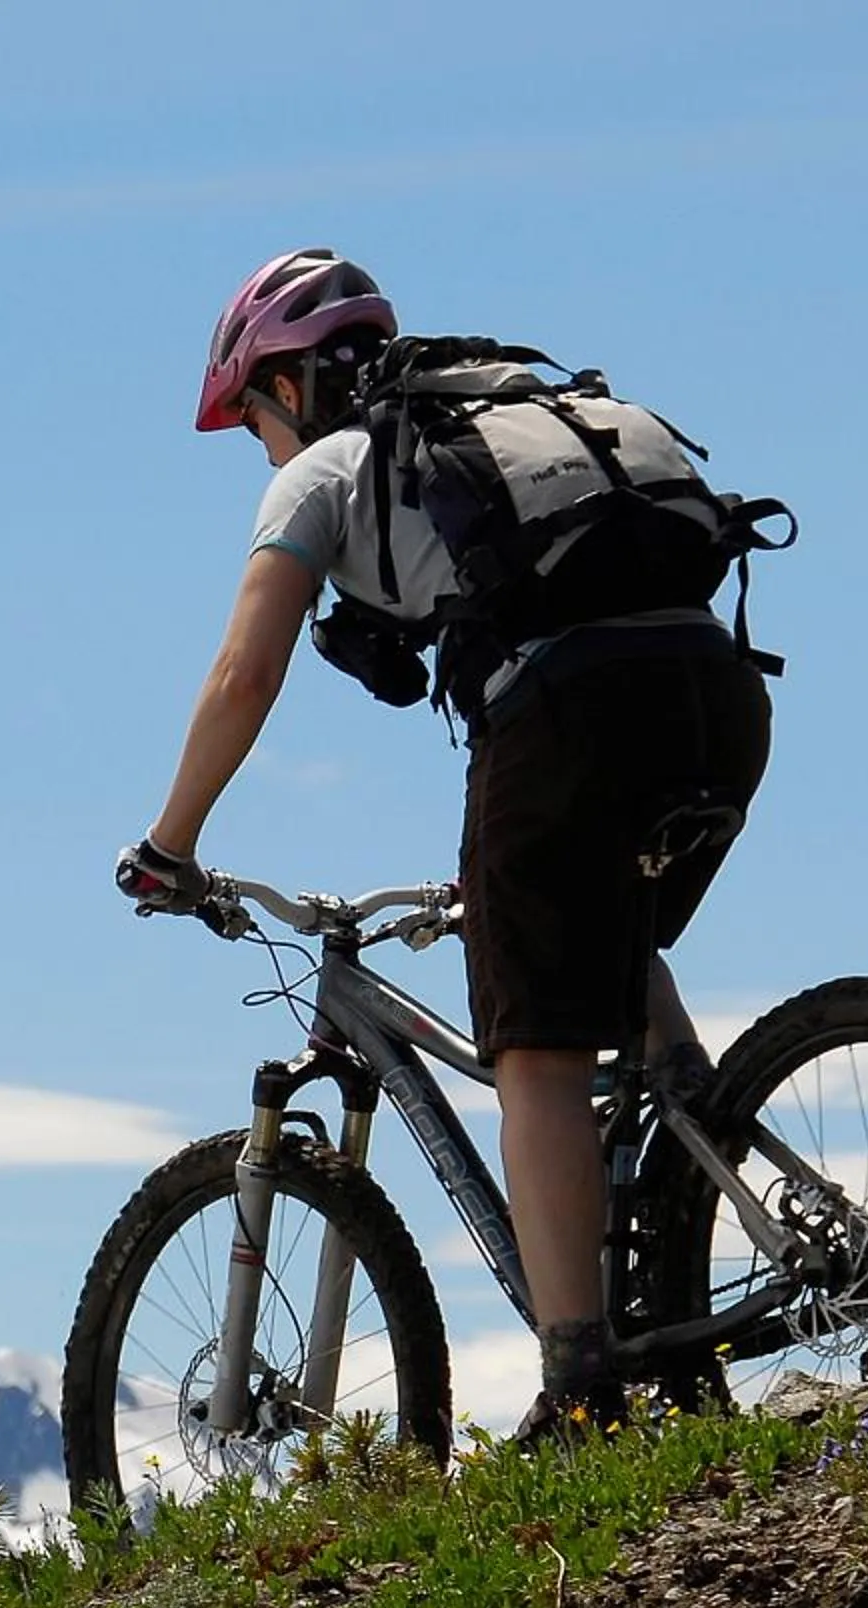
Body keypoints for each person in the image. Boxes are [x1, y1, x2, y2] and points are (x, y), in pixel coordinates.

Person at [117, 247, 773, 1441]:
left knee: (537, 1049)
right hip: (719, 694)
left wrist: (172, 841)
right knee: (595, 942)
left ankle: (582, 1392)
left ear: (287, 386)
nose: (261, 452)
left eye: (253, 422)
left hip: (568, 709)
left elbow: (244, 670)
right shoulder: (523, 415)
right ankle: (697, 1144)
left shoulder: (327, 468)